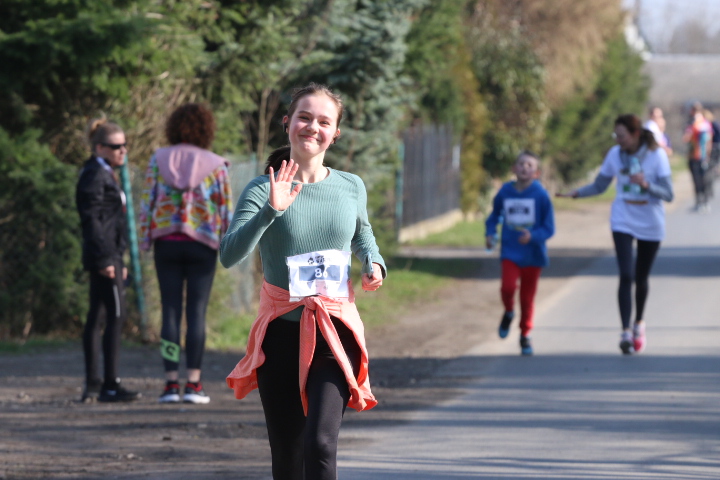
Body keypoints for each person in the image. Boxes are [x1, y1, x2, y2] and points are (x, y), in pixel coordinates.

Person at [219, 83, 386, 480]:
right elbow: (229, 255)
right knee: (289, 456)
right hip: (281, 334)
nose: (313, 127)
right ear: (288, 123)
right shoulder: (262, 188)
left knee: (321, 444)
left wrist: (374, 262)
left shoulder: (351, 185)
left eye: (324, 122)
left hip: (334, 329)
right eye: (305, 117)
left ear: (335, 133)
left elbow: (363, 234)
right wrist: (269, 211)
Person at [139, 103, 233, 405]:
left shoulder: (158, 159)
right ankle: (193, 384)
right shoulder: (217, 164)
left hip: (166, 243)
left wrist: (144, 239)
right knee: (196, 313)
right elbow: (225, 208)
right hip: (202, 245)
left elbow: (147, 200)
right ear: (207, 129)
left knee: (169, 312)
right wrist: (228, 244)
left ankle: (170, 384)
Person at [557, 114, 674, 355]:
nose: (618, 140)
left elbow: (669, 194)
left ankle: (639, 323)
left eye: (622, 136)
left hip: (650, 220)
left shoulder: (657, 155)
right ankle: (625, 332)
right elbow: (600, 185)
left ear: (635, 134)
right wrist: (577, 193)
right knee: (626, 274)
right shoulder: (614, 154)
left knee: (641, 277)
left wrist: (646, 185)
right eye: (616, 135)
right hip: (623, 217)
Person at [76, 118, 141, 403]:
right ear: (100, 147)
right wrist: (105, 258)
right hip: (104, 255)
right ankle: (109, 385)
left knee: (99, 315)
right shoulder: (95, 175)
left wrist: (118, 257)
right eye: (116, 146)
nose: (123, 151)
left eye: (125, 145)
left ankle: (95, 384)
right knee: (115, 315)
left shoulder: (103, 172)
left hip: (110, 254)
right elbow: (92, 220)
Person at [485, 151, 555, 356]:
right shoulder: (505, 191)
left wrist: (533, 236)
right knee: (507, 288)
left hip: (533, 254)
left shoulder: (541, 195)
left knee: (527, 299)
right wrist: (490, 233)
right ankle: (508, 312)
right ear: (514, 169)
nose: (525, 167)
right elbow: (494, 216)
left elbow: (549, 228)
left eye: (530, 165)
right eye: (521, 164)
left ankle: (525, 334)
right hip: (510, 251)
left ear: (537, 173)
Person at [683, 102, 713, 211]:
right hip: (703, 156)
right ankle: (704, 202)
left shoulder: (693, 123)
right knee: (703, 180)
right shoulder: (706, 123)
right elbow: (709, 141)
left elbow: (686, 138)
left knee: (698, 180)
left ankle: (700, 202)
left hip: (696, 156)